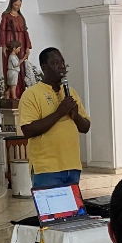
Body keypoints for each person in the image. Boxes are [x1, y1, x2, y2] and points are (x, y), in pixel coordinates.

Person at [18, 47, 90, 188]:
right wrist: (59, 113)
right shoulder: (31, 94)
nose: (61, 66)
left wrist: (75, 116)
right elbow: (28, 130)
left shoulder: (71, 93)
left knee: (72, 211)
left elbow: (85, 127)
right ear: (44, 67)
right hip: (46, 169)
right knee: (52, 211)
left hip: (72, 166)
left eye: (62, 62)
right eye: (55, 63)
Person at [0, 0, 31, 99]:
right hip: (10, 43)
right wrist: (3, 45)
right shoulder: (6, 16)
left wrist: (27, 47)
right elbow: (2, 30)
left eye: (20, 5)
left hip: (20, 43)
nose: (18, 7)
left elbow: (25, 32)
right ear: (11, 4)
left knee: (21, 67)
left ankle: (21, 93)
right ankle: (11, 93)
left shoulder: (21, 18)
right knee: (12, 67)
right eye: (16, 5)